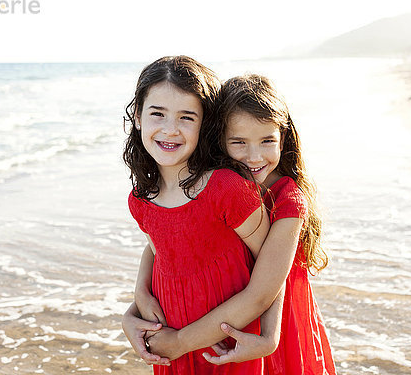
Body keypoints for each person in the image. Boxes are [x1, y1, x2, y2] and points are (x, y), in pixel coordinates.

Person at [127, 74, 336, 375]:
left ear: (283, 138)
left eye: (267, 141)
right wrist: (138, 298)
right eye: (239, 142)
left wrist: (269, 337)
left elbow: (267, 286)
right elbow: (163, 241)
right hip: (227, 318)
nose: (254, 157)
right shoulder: (217, 185)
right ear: (218, 139)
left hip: (269, 321)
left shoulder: (289, 200)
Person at [122, 56, 270, 374]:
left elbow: (272, 269)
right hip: (171, 347)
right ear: (137, 116)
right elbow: (158, 248)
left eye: (186, 117)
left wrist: (270, 336)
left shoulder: (227, 188)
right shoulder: (140, 198)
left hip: (227, 347)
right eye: (157, 114)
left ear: (205, 124)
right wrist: (136, 301)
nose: (170, 129)